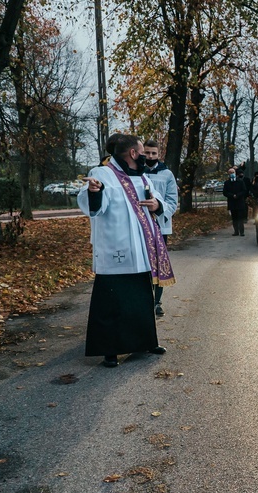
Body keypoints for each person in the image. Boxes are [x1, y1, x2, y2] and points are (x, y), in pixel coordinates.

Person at [78, 134, 174, 368]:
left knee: (141, 298)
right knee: (111, 301)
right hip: (115, 249)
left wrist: (157, 205)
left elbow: (160, 201)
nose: (144, 157)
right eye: (142, 152)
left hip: (140, 249)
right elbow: (93, 208)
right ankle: (109, 350)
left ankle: (145, 341)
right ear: (133, 153)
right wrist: (94, 192)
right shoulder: (102, 174)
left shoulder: (141, 177)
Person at [144, 139, 178, 317]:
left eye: (153, 153)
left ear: (159, 154)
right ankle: (143, 300)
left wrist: (159, 208)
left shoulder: (167, 174)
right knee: (143, 265)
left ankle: (157, 302)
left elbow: (173, 202)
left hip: (160, 226)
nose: (150, 156)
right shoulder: (135, 172)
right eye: (147, 153)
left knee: (158, 264)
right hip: (140, 227)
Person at [223, 167, 248, 236]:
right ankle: (236, 231)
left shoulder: (240, 181)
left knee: (240, 218)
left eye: (233, 172)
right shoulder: (227, 183)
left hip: (240, 202)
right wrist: (232, 195)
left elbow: (244, 190)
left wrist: (237, 195)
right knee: (234, 218)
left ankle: (242, 232)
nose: (232, 174)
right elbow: (225, 192)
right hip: (232, 203)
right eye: (230, 173)